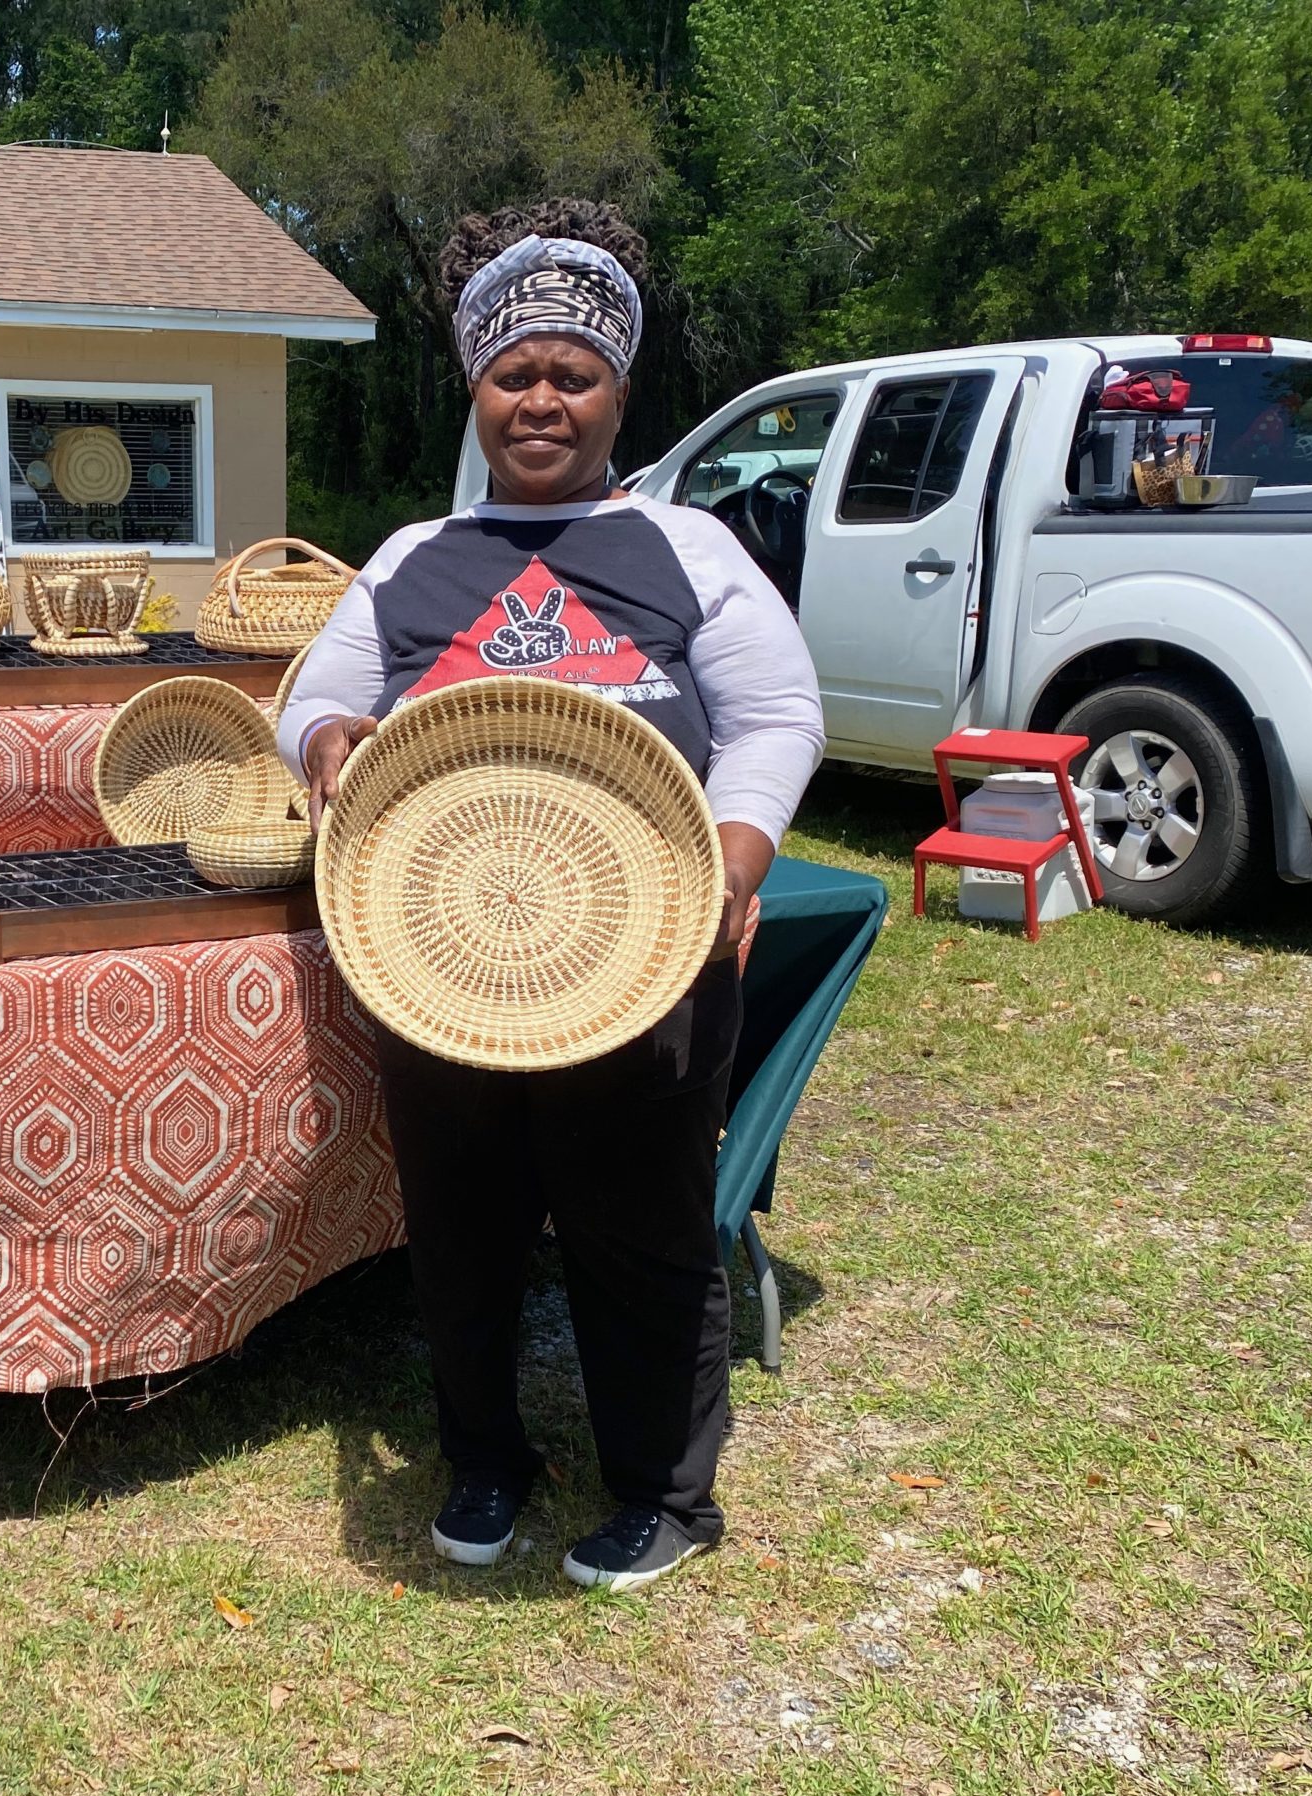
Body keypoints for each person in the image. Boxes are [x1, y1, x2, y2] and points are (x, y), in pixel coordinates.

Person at [277, 200, 826, 1593]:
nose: (541, 399)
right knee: (460, 1232)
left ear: (617, 396)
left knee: (639, 1235)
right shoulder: (413, 558)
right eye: (514, 373)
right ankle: (486, 1459)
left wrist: (738, 854)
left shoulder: (683, 547)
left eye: (571, 375)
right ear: (477, 391)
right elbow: (315, 704)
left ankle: (663, 1490)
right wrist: (333, 744)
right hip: (441, 955)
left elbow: (776, 718)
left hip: (643, 951)